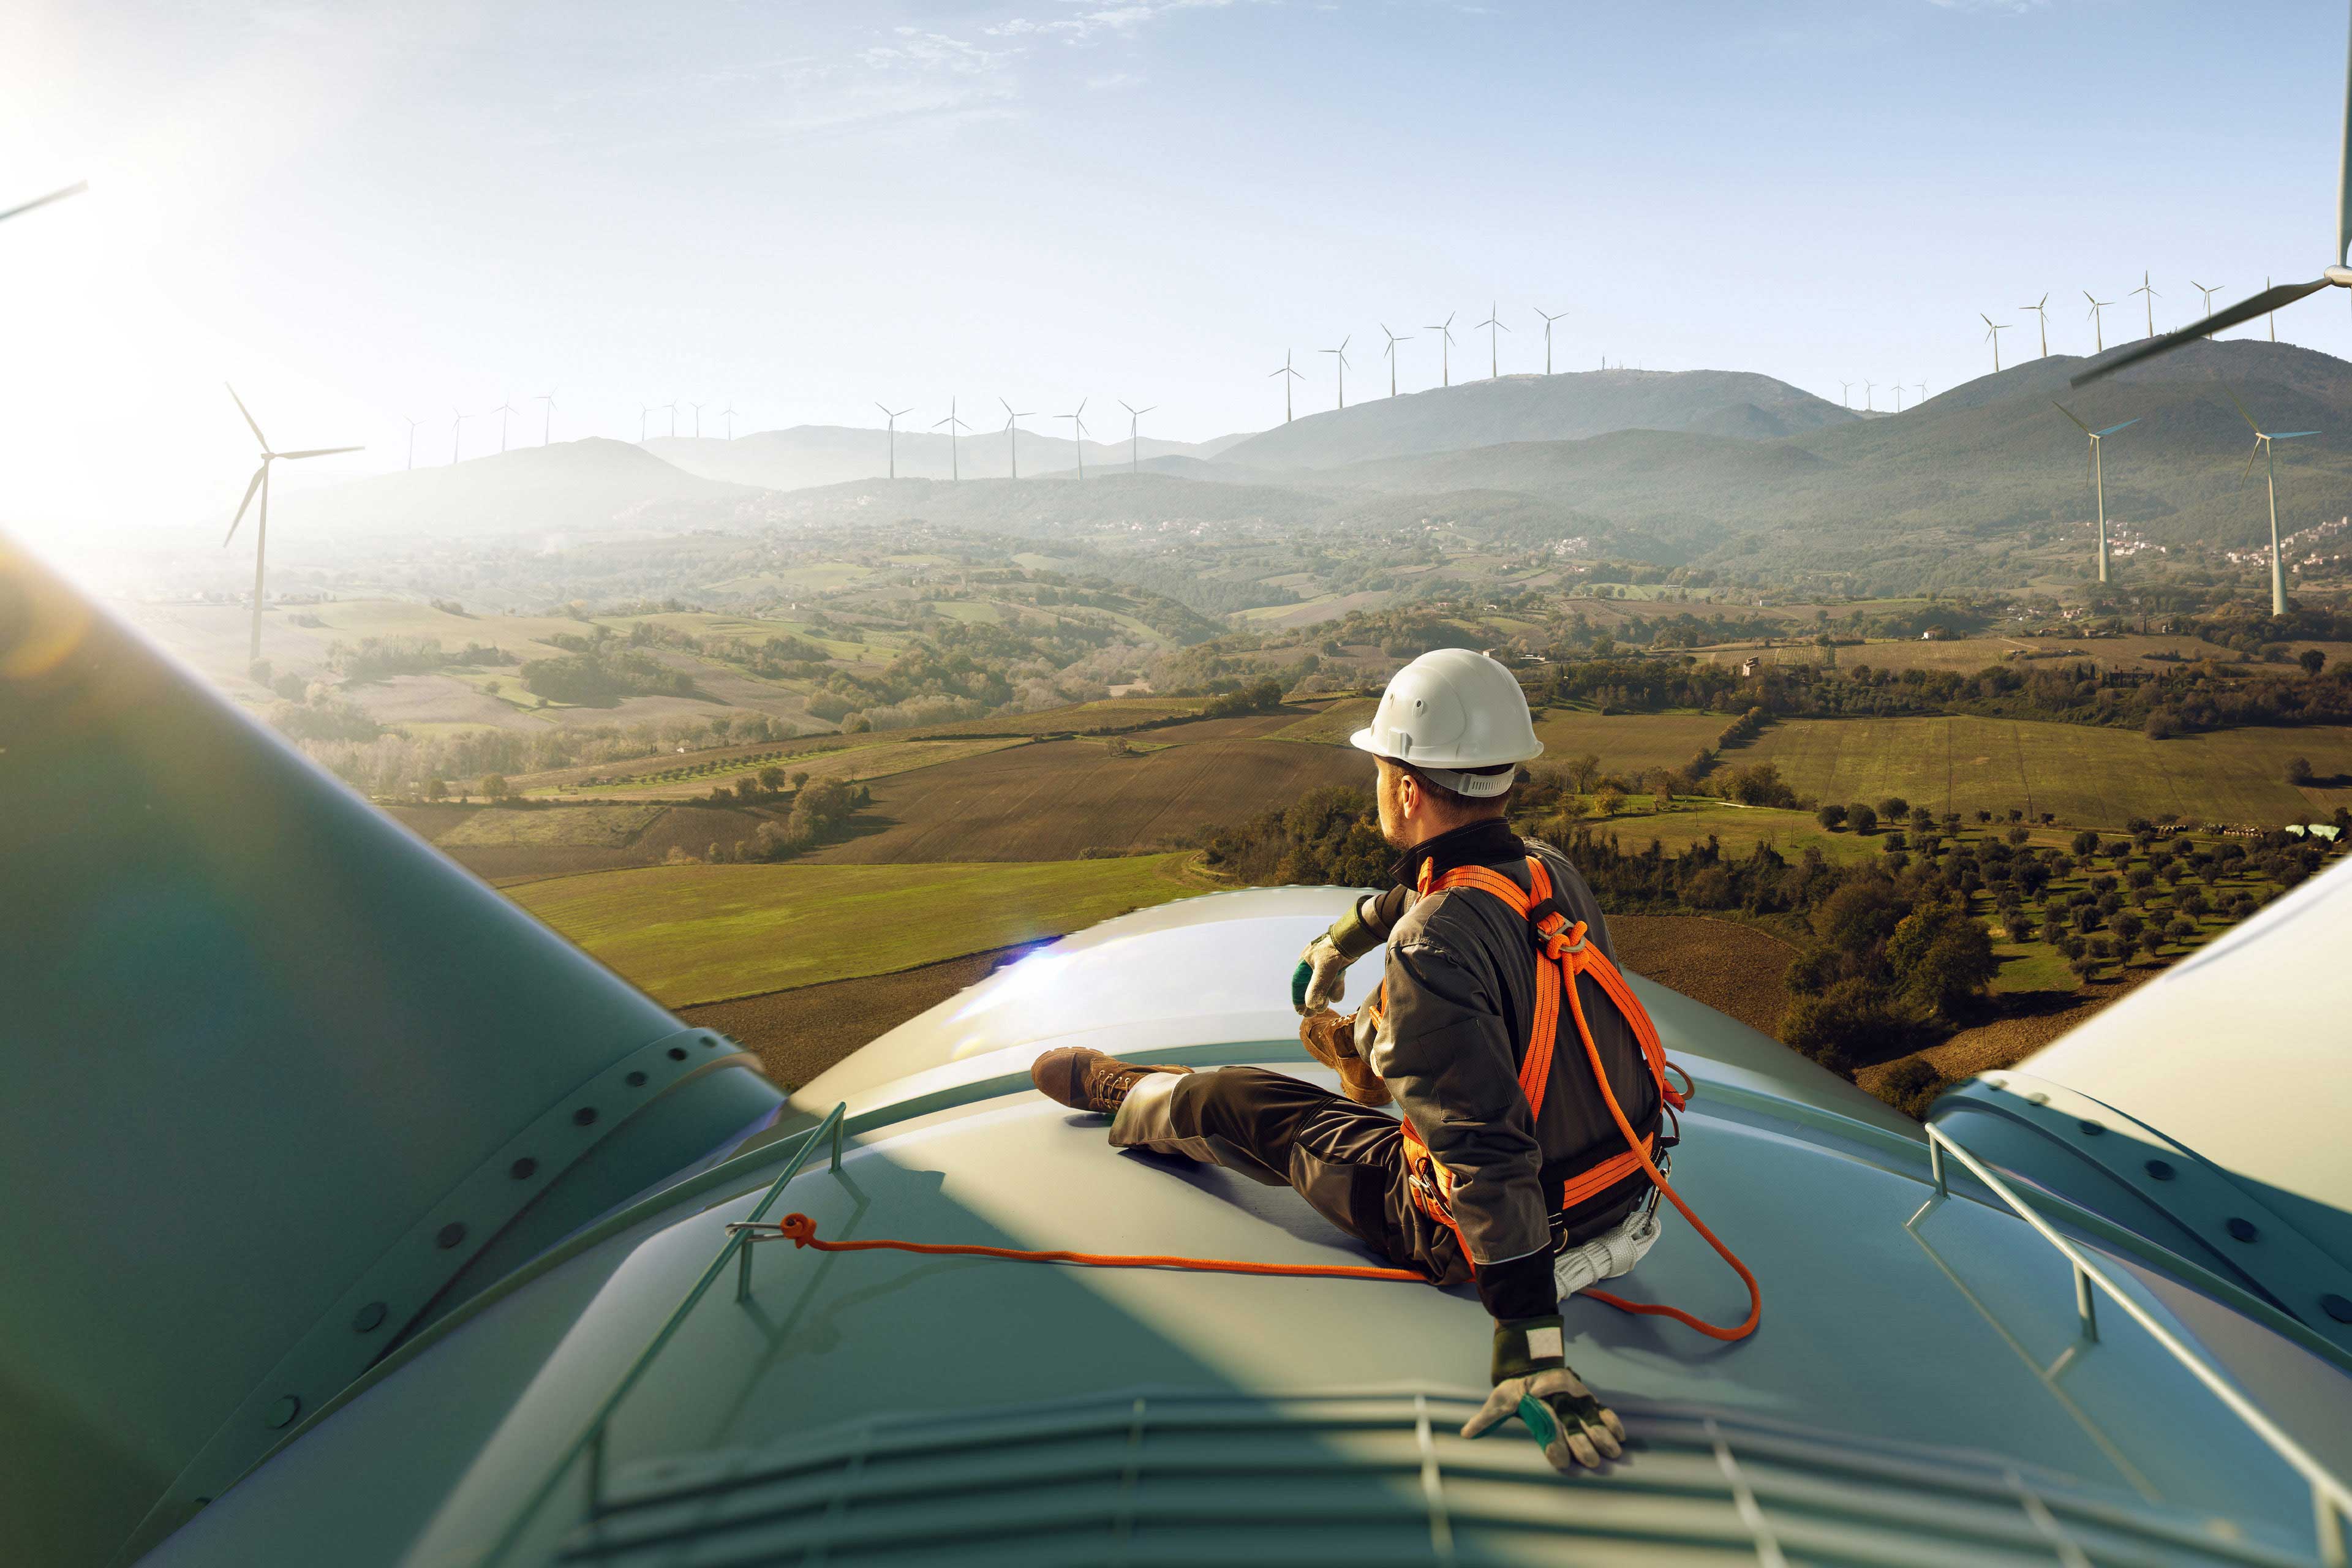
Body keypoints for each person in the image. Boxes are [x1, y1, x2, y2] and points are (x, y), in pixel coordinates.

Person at [1030, 649, 1669, 1472]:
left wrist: (1532, 1345)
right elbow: (1440, 896)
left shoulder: (1433, 946)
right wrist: (1347, 936)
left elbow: (1486, 1153)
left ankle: (1136, 1095)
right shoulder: (1547, 870)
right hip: (1630, 1196)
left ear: (1406, 787)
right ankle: (1365, 1051)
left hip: (1507, 1239)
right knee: (1415, 1021)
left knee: (1242, 1101)